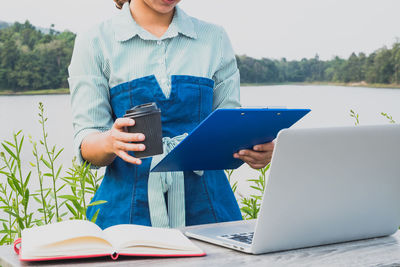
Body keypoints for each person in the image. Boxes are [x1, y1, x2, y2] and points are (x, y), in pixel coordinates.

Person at [68, 0, 274, 229]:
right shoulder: (95, 41)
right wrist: (109, 141)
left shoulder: (214, 37)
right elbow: (87, 142)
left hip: (211, 213)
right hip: (125, 218)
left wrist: (255, 149)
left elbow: (230, 124)